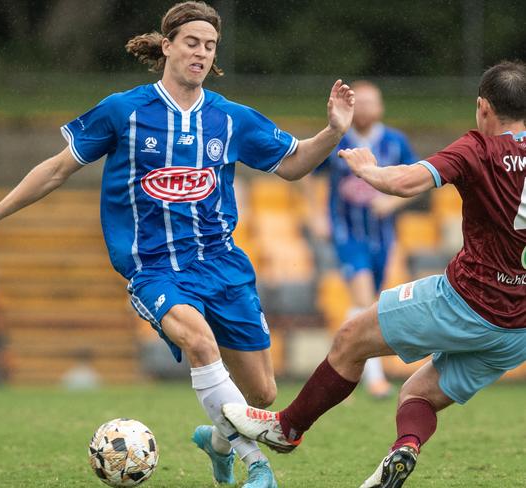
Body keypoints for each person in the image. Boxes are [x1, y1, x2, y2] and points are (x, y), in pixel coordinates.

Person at [0, 2, 354, 487]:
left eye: (210, 46)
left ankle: (218, 440)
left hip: (223, 266)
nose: (200, 53)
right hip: (154, 268)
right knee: (199, 341)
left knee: (262, 395)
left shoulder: (231, 119)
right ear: (167, 46)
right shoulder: (124, 111)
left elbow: (294, 164)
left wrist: (333, 132)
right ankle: (255, 464)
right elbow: (56, 168)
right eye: (191, 43)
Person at [223, 60, 526, 488]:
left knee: (350, 339)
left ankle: (287, 429)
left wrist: (366, 169)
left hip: (467, 300)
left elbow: (405, 182)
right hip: (517, 331)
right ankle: (404, 449)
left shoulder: (479, 148)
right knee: (418, 394)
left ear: (483, 108)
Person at [305, 80, 419, 398]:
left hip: (383, 236)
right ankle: (374, 379)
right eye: (362, 102)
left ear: (381, 107)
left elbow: (417, 180)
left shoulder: (396, 142)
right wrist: (315, 215)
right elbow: (312, 177)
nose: (367, 108)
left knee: (370, 304)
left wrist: (392, 201)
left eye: (372, 102)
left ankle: (341, 361)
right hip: (348, 233)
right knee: (364, 295)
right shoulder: (339, 141)